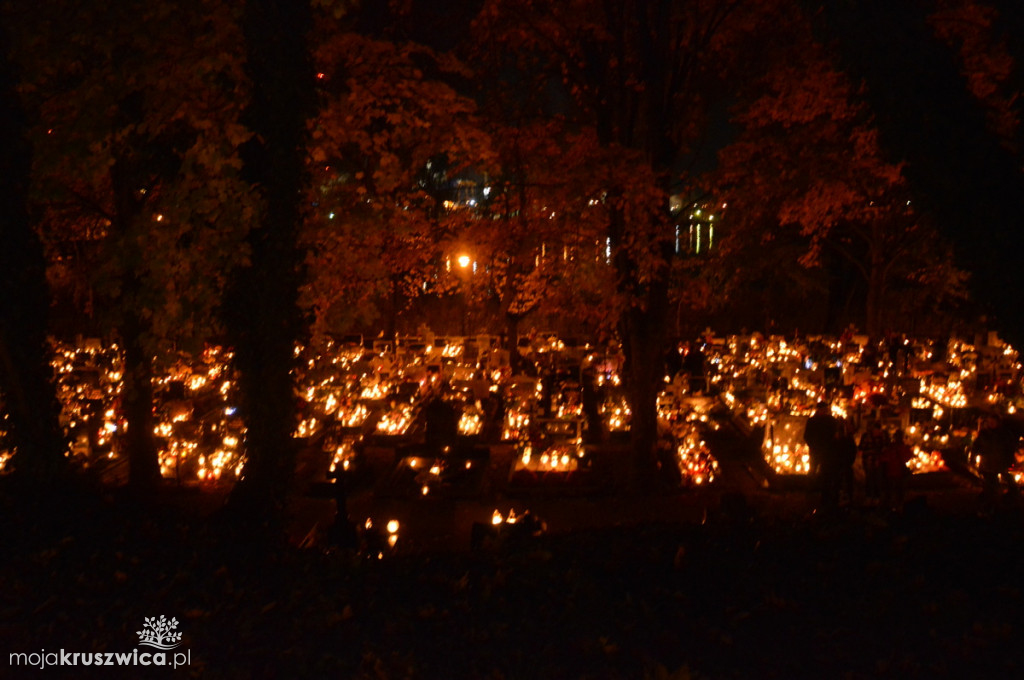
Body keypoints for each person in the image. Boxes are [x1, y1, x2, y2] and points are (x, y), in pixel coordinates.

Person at [972, 413, 1018, 512]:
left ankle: (1008, 502)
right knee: (990, 485)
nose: (991, 424)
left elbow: (1010, 448)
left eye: (993, 422)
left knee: (1008, 482)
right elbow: (976, 446)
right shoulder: (984, 434)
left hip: (1001, 463)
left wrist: (1009, 461)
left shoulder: (1004, 434)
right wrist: (975, 456)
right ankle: (990, 506)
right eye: (989, 422)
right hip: (987, 464)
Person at [803, 401, 839, 506]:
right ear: (818, 410)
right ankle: (810, 490)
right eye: (823, 409)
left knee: (826, 472)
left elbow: (835, 435)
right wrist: (813, 445)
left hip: (827, 450)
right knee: (813, 470)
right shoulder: (812, 421)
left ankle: (825, 493)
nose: (825, 411)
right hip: (816, 450)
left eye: (826, 409)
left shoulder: (832, 421)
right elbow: (807, 436)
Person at [858, 418, 888, 506]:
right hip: (868, 462)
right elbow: (861, 449)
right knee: (869, 479)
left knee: (877, 479)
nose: (877, 432)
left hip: (879, 462)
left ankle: (876, 497)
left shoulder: (883, 436)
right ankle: (868, 496)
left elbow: (886, 447)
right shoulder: (866, 436)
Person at [881, 429, 913, 511]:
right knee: (899, 491)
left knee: (891, 491)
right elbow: (908, 457)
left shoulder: (890, 447)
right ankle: (898, 507)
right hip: (899, 473)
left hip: (891, 472)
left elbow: (884, 458)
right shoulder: (903, 448)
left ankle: (891, 507)